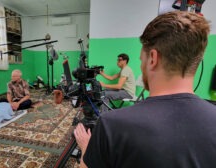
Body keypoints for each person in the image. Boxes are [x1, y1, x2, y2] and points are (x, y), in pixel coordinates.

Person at [74, 11, 216, 168]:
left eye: (142, 59)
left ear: (153, 58)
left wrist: (87, 149)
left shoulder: (111, 125)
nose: (141, 66)